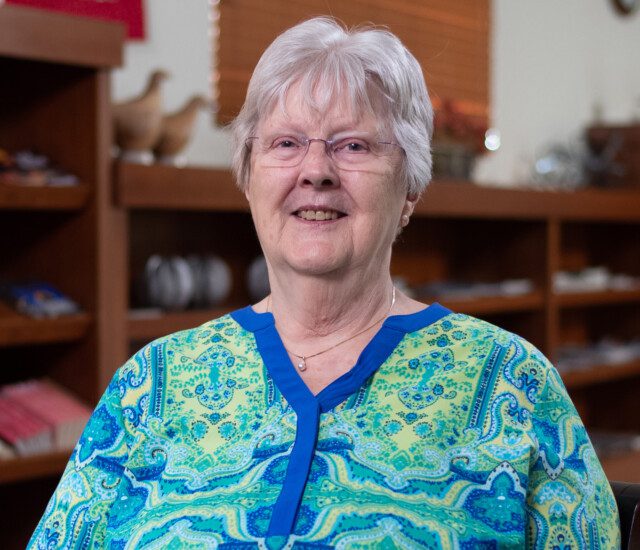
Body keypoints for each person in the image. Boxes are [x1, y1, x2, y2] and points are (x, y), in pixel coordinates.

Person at [29, 16, 619, 549]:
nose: (315, 171)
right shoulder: (147, 385)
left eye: (353, 145)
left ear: (410, 187)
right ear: (247, 176)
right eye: (286, 144)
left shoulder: (513, 384)